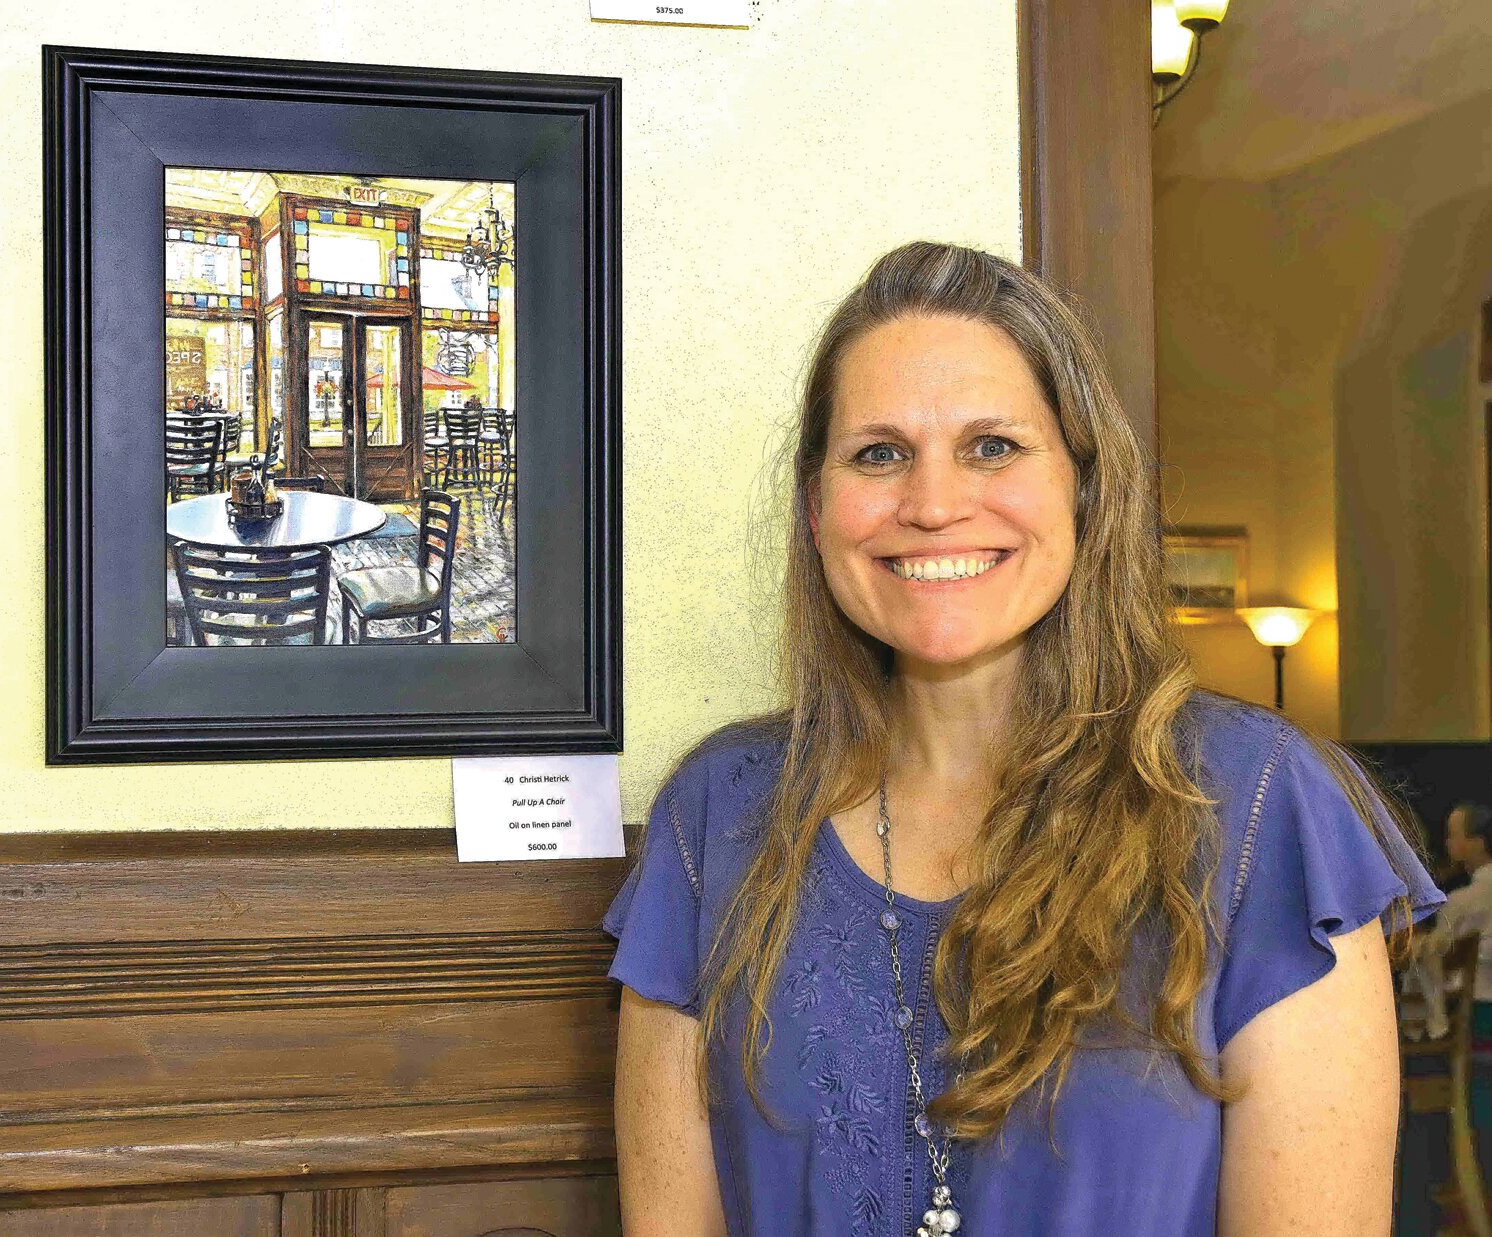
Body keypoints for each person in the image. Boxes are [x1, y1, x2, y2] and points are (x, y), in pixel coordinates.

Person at [603, 242, 1445, 1236]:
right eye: (879, 453)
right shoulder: (719, 814)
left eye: (992, 446)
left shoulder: (1262, 808)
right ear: (817, 505)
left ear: (1086, 490)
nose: (932, 503)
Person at [1408, 802, 1492, 1040]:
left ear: (1478, 842)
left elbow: (1438, 966)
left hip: (1475, 1012)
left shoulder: (1461, 901)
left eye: (1453, 835)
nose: (1447, 843)